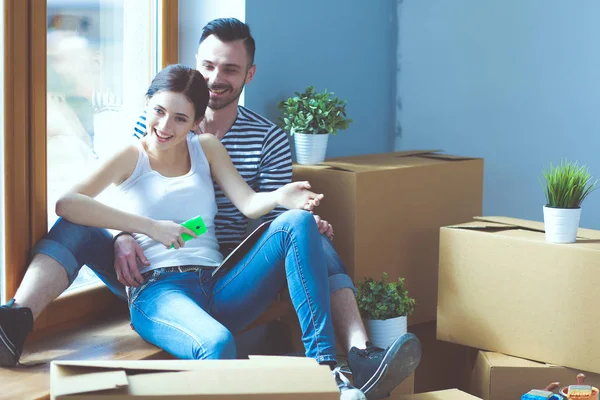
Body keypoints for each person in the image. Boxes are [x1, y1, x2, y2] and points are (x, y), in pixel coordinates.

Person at [0, 18, 420, 400]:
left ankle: (332, 368)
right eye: (159, 112)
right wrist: (138, 229)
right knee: (215, 342)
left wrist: (283, 199)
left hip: (222, 276)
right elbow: (76, 202)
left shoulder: (215, 147)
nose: (165, 126)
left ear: (197, 120)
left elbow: (250, 205)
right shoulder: (136, 146)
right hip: (156, 283)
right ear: (148, 103)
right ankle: (14, 321)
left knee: (300, 225)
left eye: (180, 119)